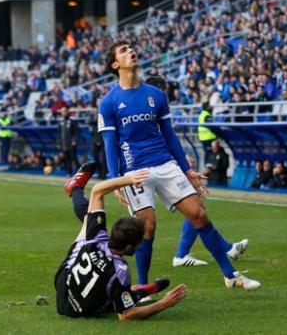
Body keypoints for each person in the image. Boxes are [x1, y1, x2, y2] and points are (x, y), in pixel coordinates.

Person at [99, 41, 260, 290]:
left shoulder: (156, 95)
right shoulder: (109, 102)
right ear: (115, 64)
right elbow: (110, 142)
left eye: (132, 48)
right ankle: (142, 286)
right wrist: (115, 180)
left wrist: (186, 168)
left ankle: (230, 275)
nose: (131, 51)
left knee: (199, 214)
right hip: (134, 171)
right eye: (123, 51)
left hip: (165, 163)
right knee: (147, 228)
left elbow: (170, 135)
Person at [56, 166, 187, 319]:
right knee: (115, 296)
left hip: (61, 285)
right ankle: (135, 293)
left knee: (87, 222)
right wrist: (165, 303)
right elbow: (126, 316)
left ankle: (75, 188)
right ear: (129, 247)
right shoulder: (121, 271)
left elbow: (97, 190)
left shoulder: (98, 236)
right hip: (79, 311)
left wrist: (129, 180)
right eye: (139, 244)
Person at [142, 75, 245, 269]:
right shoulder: (150, 109)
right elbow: (157, 140)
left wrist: (181, 160)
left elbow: (166, 137)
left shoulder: (152, 109)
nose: (167, 96)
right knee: (148, 224)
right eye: (164, 91)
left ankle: (224, 249)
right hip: (153, 167)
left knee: (195, 205)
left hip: (161, 165)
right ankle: (182, 255)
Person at [57, 107, 80, 176]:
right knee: (67, 159)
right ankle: (69, 173)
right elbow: (59, 133)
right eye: (62, 111)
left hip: (71, 143)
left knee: (73, 157)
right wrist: (58, 142)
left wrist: (74, 140)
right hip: (64, 143)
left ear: (67, 111)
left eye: (65, 111)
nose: (63, 112)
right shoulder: (60, 122)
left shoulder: (72, 120)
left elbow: (76, 132)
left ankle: (80, 172)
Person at [198, 102, 217, 167]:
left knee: (207, 153)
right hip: (209, 137)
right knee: (211, 154)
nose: (211, 107)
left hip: (203, 137)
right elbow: (212, 126)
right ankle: (210, 170)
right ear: (206, 107)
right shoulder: (207, 115)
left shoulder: (202, 114)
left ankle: (207, 169)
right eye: (209, 106)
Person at [89, 106, 106, 179]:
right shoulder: (92, 118)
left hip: (102, 140)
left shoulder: (101, 118)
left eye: (95, 111)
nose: (94, 112)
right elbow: (90, 122)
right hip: (95, 141)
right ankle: (99, 174)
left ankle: (103, 174)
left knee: (102, 159)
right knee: (95, 158)